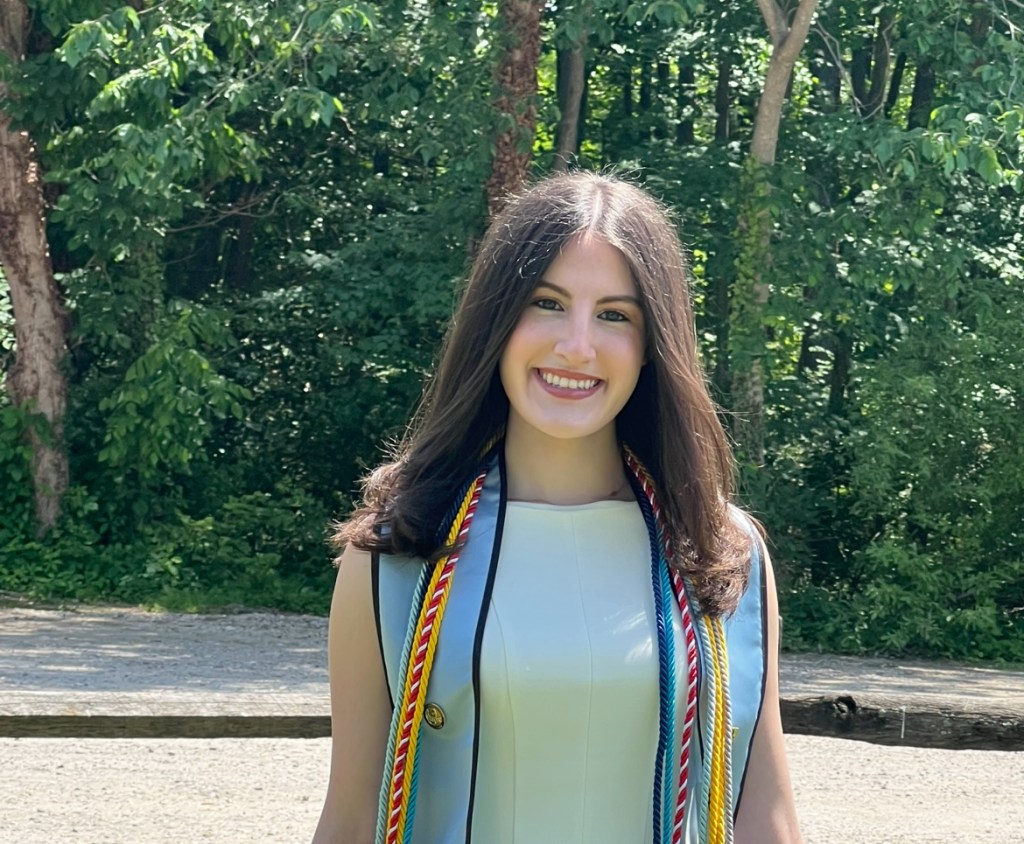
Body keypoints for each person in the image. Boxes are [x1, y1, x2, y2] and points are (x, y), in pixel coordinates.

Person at [311, 172, 801, 844]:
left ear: (652, 345)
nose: (577, 345)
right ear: (496, 320)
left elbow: (765, 814)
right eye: (547, 303)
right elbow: (349, 819)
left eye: (614, 315)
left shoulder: (722, 553)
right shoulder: (397, 555)